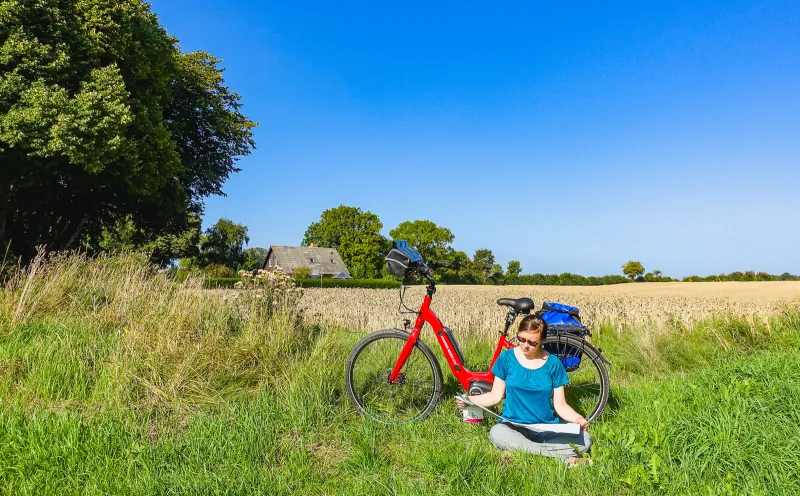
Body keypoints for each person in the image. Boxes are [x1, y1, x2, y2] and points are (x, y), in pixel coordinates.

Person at [456, 314, 592, 466]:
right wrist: (469, 400)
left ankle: (528, 451)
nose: (525, 345)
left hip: (545, 429)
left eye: (532, 342)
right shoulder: (506, 359)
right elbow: (495, 396)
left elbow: (560, 405)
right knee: (496, 433)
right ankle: (561, 458)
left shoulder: (554, 364)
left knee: (585, 439)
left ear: (541, 341)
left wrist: (577, 419)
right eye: (521, 339)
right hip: (513, 427)